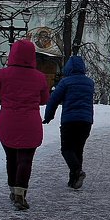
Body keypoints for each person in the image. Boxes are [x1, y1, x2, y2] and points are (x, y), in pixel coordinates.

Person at [0, 39, 50, 211]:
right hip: (30, 123)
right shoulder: (39, 77)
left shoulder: (3, 74)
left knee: (11, 157)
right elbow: (44, 99)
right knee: (26, 159)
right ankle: (20, 192)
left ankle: (13, 189)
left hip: (8, 122)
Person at [43, 55, 95, 189]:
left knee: (66, 149)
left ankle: (77, 171)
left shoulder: (65, 82)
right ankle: (74, 180)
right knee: (78, 150)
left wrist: (48, 116)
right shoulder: (89, 83)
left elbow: (54, 100)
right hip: (86, 121)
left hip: (69, 120)